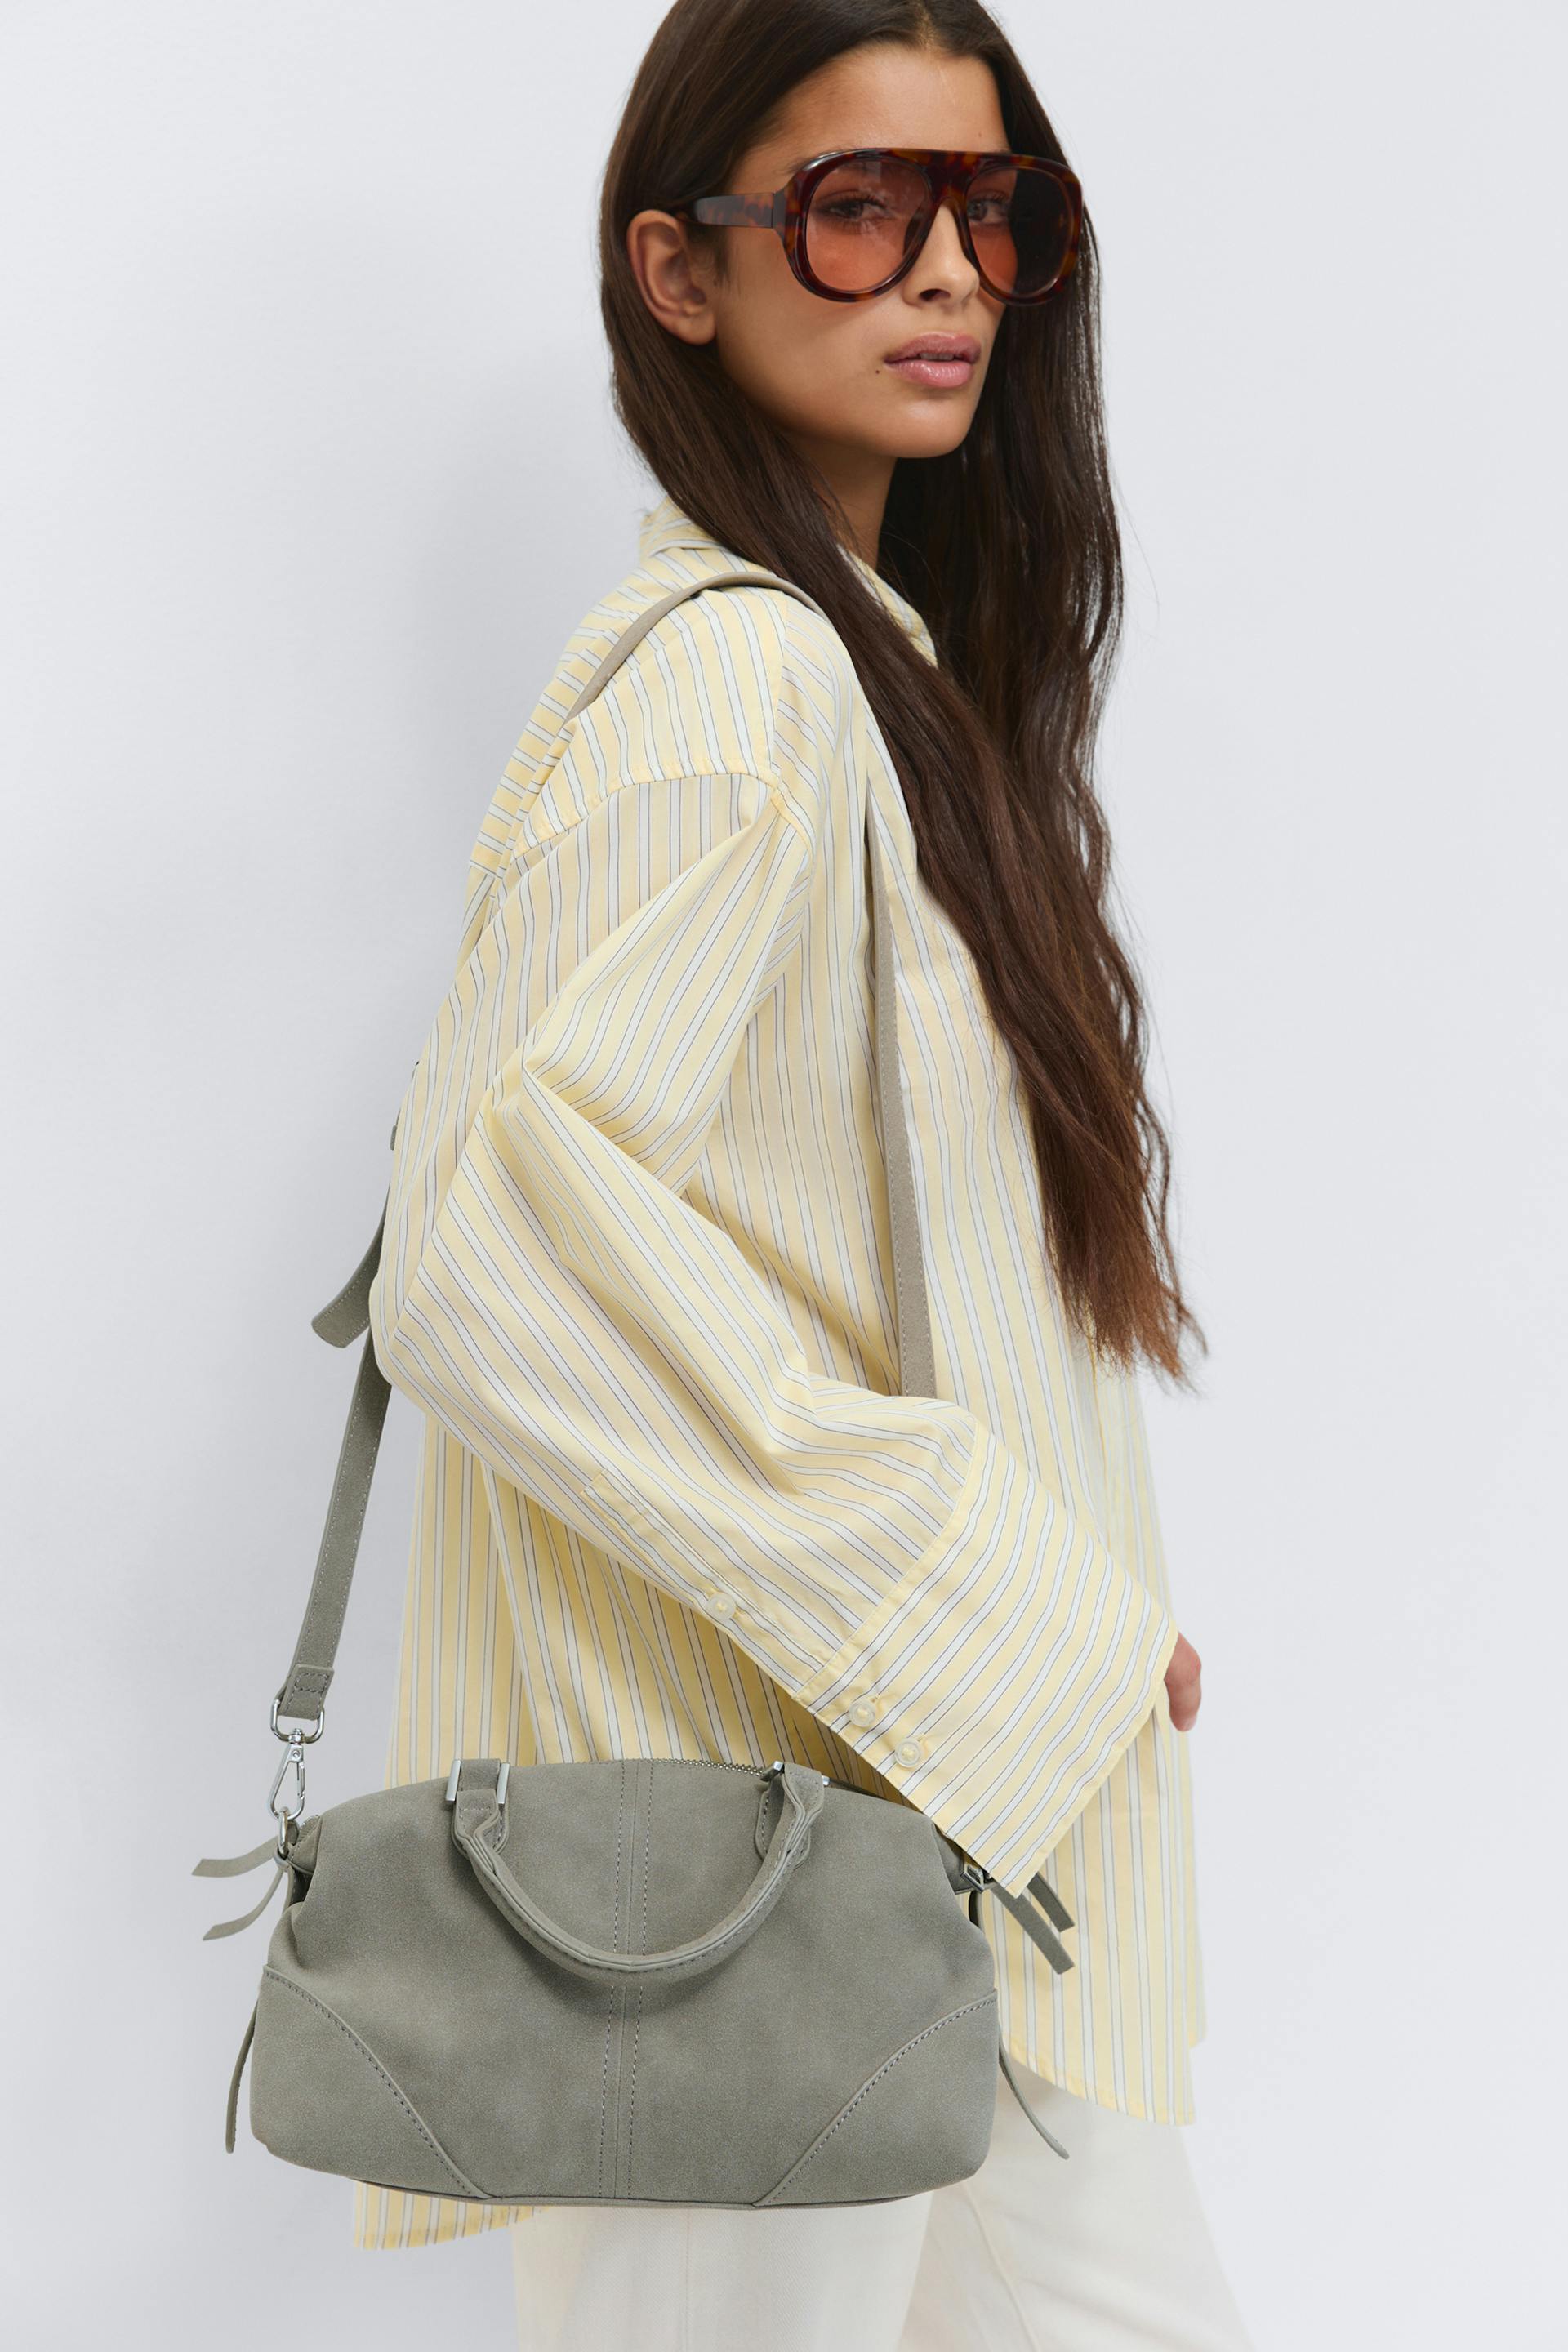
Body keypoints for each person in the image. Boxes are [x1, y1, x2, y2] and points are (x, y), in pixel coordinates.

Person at [354, 3, 1254, 2345]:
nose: (950, 271)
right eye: (864, 210)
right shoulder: (736, 692)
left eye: (995, 211)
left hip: (952, 1870)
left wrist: (1046, 1645)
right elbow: (491, 1245)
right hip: (760, 1890)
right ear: (683, 271)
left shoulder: (887, 685)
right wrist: (1000, 1608)